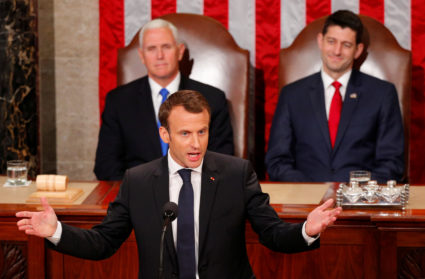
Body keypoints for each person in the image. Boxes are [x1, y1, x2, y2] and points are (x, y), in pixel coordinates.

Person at [17, 90, 341, 279]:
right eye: (185, 133)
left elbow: (271, 233)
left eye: (202, 131)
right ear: (165, 134)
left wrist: (306, 230)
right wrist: (56, 231)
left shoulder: (236, 173)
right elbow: (104, 242)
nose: (196, 143)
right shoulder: (139, 181)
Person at [266, 10, 404, 183]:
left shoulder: (382, 94)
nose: (337, 51)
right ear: (320, 41)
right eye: (331, 41)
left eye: (346, 45)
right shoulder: (292, 95)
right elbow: (277, 162)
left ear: (358, 50)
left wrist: (352, 192)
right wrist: (311, 190)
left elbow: (392, 163)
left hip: (360, 202)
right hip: (305, 201)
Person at [94, 18, 234, 181]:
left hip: (195, 192)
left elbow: (221, 161)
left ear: (180, 51)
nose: (159, 55)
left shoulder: (212, 99)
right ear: (141, 55)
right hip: (139, 194)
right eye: (151, 49)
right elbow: (106, 166)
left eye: (166, 47)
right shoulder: (118, 101)